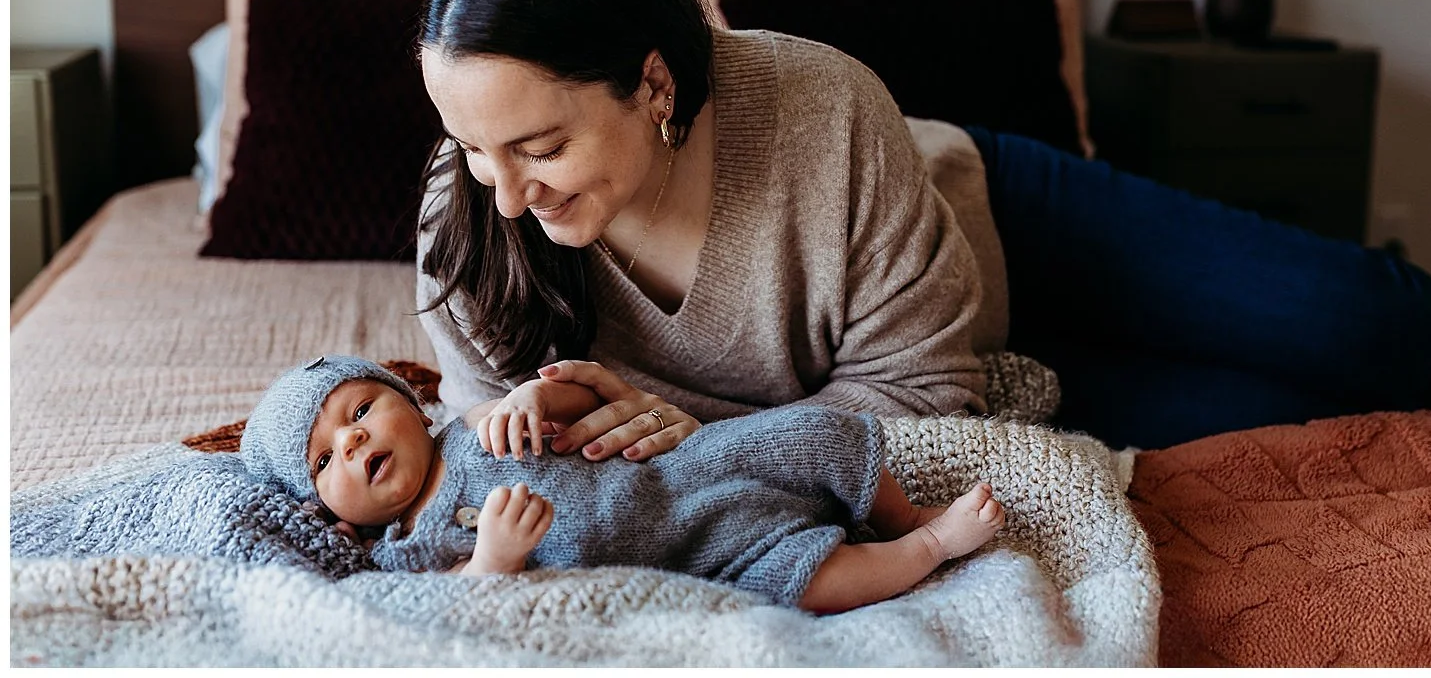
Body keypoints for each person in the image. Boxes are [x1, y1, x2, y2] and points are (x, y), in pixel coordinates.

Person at [415, 0, 1431, 454]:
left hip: (995, 216)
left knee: (1362, 327)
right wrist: (713, 447)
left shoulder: (821, 101)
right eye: (472, 146)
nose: (504, 193)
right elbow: (490, 433)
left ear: (652, 84)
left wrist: (707, 435)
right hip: (979, 370)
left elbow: (916, 385)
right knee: (1300, 414)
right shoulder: (468, 225)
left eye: (541, 145)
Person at [239, 354, 1005, 612]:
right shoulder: (404, 549)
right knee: (808, 581)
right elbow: (454, 608)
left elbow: (590, 405)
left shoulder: (475, 426)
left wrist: (538, 398)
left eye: (361, 407)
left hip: (683, 474)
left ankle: (904, 514)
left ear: (408, 402)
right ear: (323, 505)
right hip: (691, 560)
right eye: (322, 459)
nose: (353, 439)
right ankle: (929, 548)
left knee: (818, 430)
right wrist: (494, 562)